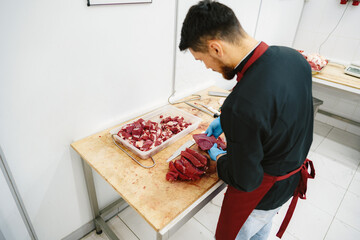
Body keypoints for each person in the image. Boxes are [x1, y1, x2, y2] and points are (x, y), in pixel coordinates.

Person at [179, 1, 315, 240]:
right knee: (262, 231)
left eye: (201, 60)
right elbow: (281, 110)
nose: (207, 67)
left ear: (216, 48)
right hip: (289, 180)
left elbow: (246, 179)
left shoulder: (241, 107)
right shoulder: (293, 58)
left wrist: (219, 158)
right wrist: (229, 119)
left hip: (259, 196)